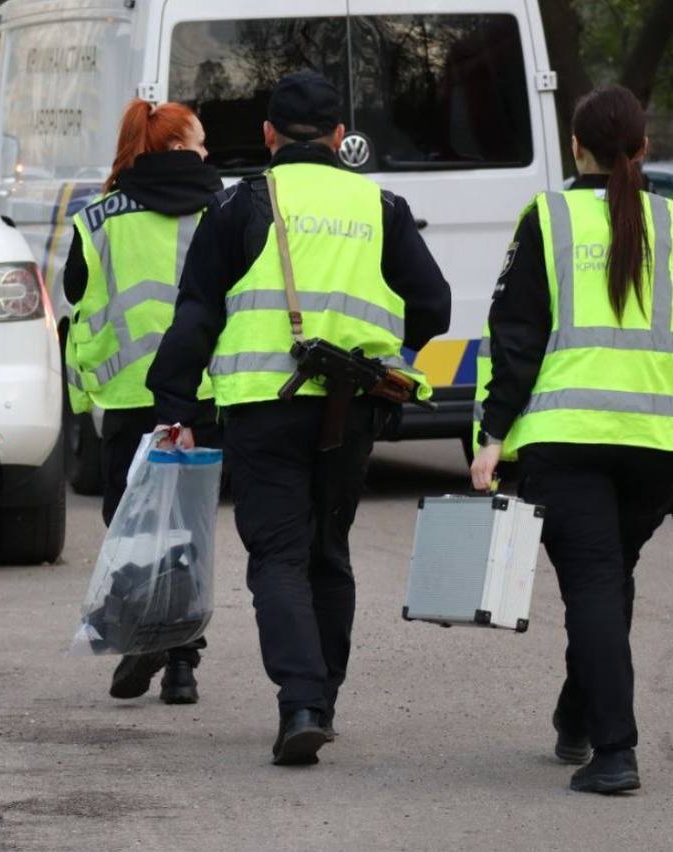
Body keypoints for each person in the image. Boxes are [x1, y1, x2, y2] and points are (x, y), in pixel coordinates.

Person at [470, 85, 673, 794]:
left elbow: (516, 338)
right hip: (651, 450)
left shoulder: (548, 218)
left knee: (596, 588)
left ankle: (614, 751)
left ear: (576, 147)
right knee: (606, 582)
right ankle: (577, 720)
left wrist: (492, 434)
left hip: (565, 440)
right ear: (641, 150)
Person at [147, 71, 452, 766]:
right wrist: (389, 354)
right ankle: (326, 696)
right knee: (328, 552)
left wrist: (174, 406)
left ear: (267, 135)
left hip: (263, 405)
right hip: (351, 406)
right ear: (341, 138)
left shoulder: (241, 206)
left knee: (278, 556)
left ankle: (301, 703)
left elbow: (196, 313)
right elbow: (433, 305)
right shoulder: (381, 206)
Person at [64, 99, 224, 705]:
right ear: (180, 148)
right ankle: (182, 663)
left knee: (130, 524)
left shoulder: (98, 219)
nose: (208, 152)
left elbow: (76, 296)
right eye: (201, 142)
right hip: (204, 393)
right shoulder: (222, 211)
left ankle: (142, 635)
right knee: (189, 526)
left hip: (131, 397)